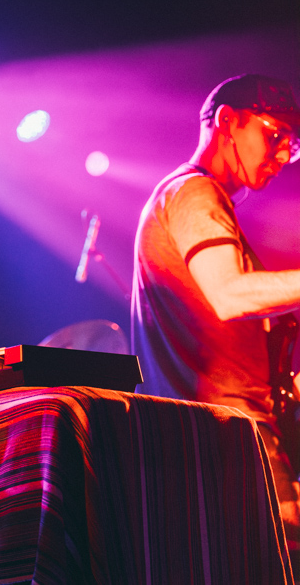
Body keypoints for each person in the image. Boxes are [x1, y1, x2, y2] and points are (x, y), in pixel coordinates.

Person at [131, 74, 300, 569]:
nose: (281, 156)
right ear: (228, 120)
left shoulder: (193, 198)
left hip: (214, 443)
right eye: (274, 136)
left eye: (291, 149)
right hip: (227, 444)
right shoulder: (193, 192)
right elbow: (229, 295)